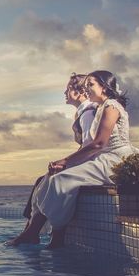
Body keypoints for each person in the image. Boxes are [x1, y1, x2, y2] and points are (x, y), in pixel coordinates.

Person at [7, 70, 138, 249]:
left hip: (115, 160)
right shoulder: (101, 107)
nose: (87, 89)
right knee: (48, 179)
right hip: (104, 157)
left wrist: (65, 162)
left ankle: (50, 235)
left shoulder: (112, 106)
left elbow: (98, 144)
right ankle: (38, 233)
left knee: (61, 179)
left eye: (91, 85)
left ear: (104, 87)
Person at [19, 73, 97, 223]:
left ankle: (32, 229)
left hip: (90, 163)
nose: (64, 93)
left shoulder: (87, 113)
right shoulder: (82, 112)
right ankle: (31, 228)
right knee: (41, 180)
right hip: (85, 160)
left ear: (80, 92)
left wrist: (65, 163)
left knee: (44, 180)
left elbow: (89, 145)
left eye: (68, 89)